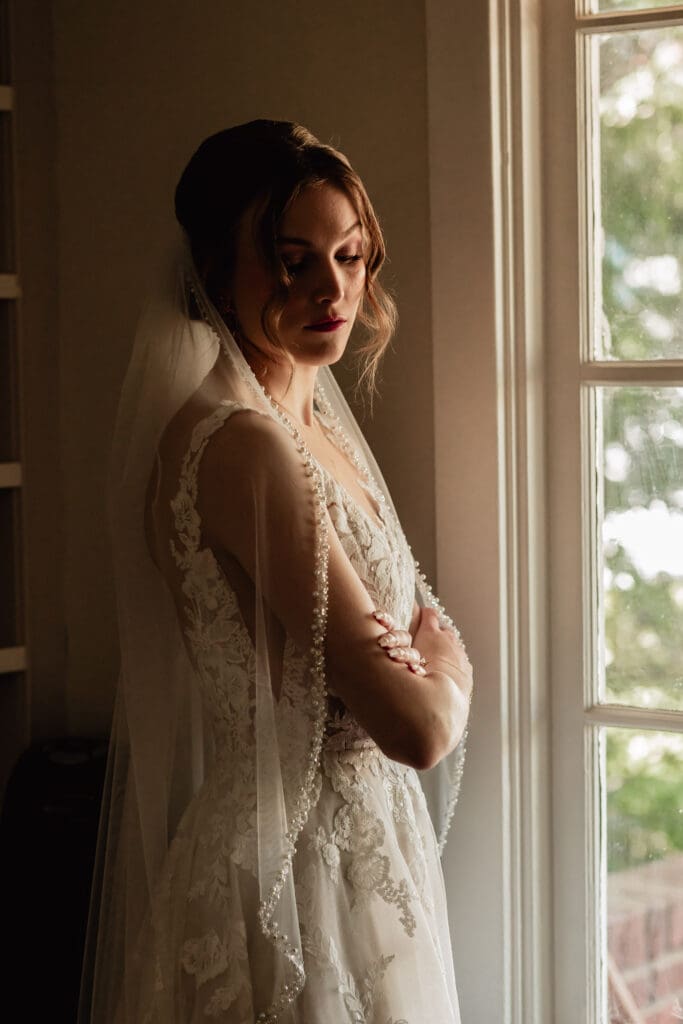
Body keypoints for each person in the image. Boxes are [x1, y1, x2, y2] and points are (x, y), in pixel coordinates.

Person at [79, 120, 473, 1024]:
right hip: (296, 888)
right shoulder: (247, 448)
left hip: (357, 859)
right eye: (292, 261)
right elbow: (411, 727)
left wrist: (423, 663)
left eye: (349, 255)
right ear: (217, 269)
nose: (331, 289)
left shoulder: (311, 428)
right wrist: (445, 672)